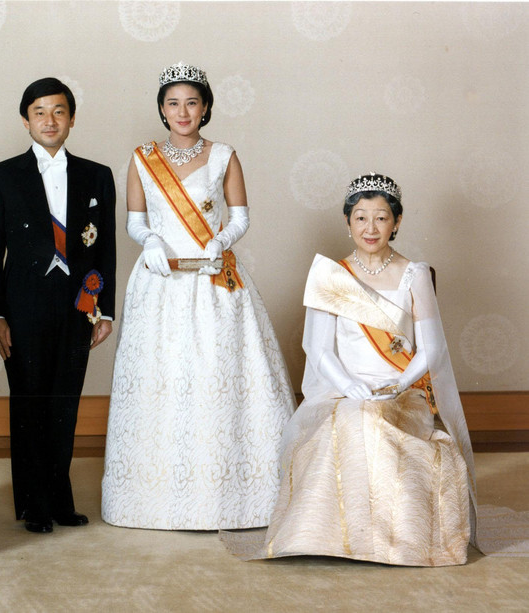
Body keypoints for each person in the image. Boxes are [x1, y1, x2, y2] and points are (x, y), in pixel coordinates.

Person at [224, 173, 477, 565]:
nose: (370, 228)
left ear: (397, 221)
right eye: (360, 218)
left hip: (403, 391)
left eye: (380, 218)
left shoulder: (415, 274)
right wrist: (351, 386)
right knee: (351, 420)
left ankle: (394, 542)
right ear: (347, 222)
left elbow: (432, 349)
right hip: (344, 390)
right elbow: (319, 349)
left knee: (372, 421)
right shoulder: (330, 275)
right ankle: (324, 537)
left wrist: (398, 383)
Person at [101, 63, 296, 530]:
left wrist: (221, 241)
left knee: (217, 376)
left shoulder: (225, 154)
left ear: (205, 107)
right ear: (162, 110)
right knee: (162, 378)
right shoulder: (142, 157)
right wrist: (148, 242)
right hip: (161, 279)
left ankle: (232, 498)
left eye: (192, 102)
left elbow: (241, 217)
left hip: (213, 278)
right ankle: (151, 501)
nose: (182, 111)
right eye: (173, 103)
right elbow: (135, 221)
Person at [0, 77, 116, 534]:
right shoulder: (0, 176)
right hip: (22, 307)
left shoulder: (97, 175)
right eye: (39, 112)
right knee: (30, 400)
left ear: (71, 119)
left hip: (77, 306)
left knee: (64, 402)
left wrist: (104, 309)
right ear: (25, 120)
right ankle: (32, 502)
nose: (49, 120)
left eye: (59, 111)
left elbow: (106, 250)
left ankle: (59, 496)